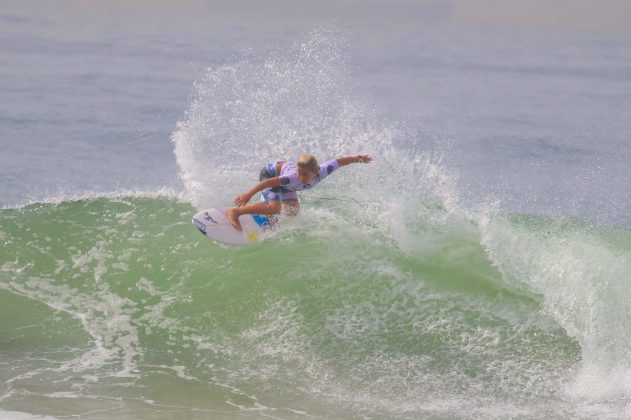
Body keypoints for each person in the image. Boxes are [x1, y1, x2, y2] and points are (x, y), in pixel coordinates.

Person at [226, 153, 373, 231]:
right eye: (299, 172)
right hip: (270, 175)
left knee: (293, 212)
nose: (301, 177)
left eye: (305, 174)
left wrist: (358, 159)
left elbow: (340, 161)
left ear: (315, 171)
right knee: (275, 207)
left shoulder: (323, 170)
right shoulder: (292, 178)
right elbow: (267, 182)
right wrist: (248, 194)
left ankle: (265, 212)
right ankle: (236, 212)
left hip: (286, 186)